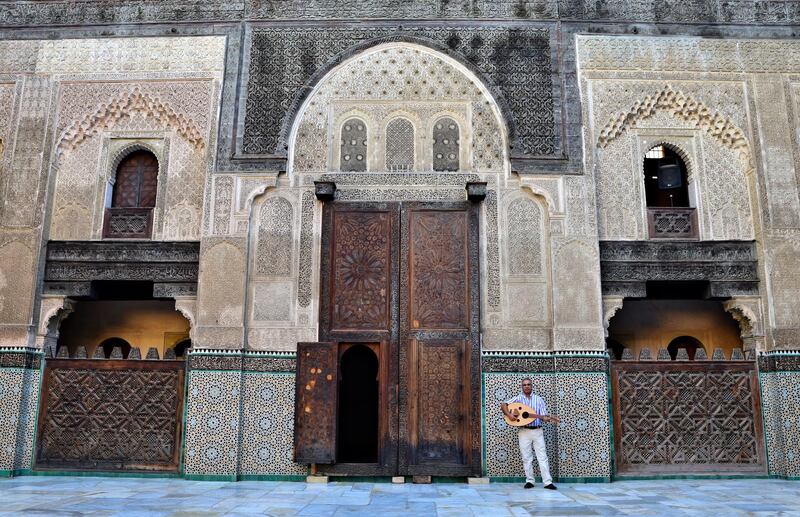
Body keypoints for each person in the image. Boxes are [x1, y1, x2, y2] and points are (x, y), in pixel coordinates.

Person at [500, 378, 557, 490]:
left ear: (532, 386)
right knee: (526, 457)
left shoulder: (539, 400)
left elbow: (543, 416)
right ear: (522, 387)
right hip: (524, 431)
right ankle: (530, 481)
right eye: (524, 385)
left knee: (542, 457)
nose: (526, 386)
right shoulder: (518, 398)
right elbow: (503, 405)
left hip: (537, 431)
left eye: (528, 384)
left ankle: (547, 482)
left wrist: (546, 418)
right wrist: (510, 415)